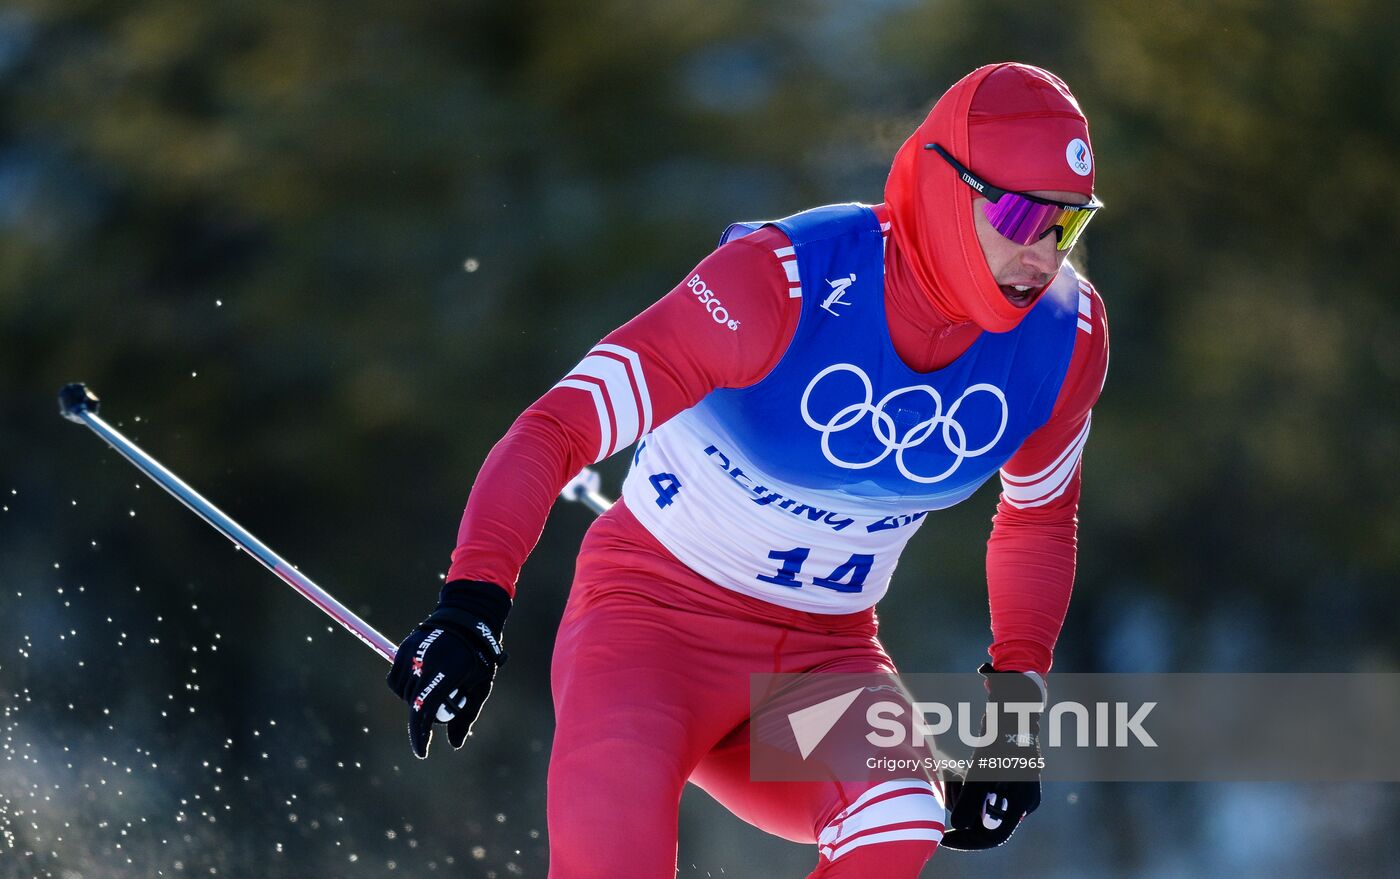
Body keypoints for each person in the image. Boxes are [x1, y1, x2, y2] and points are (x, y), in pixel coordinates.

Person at [386, 61, 1109, 877]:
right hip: (647, 627)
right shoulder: (781, 282)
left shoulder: (1066, 337)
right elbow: (557, 426)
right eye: (1018, 214)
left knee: (902, 814)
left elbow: (1039, 520)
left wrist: (1015, 727)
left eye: (1067, 226)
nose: (1042, 254)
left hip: (822, 657)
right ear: (948, 189)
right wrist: (473, 604)